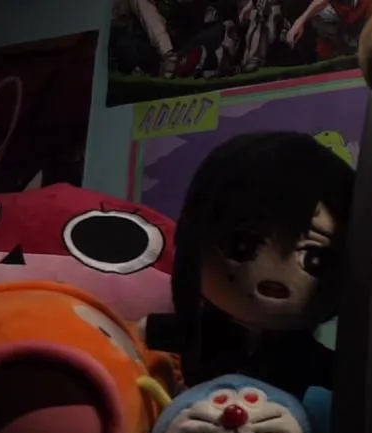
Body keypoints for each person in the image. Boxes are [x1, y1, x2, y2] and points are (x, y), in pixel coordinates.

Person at [141, 132, 354, 399]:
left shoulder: (313, 362)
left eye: (314, 259)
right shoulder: (193, 334)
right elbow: (129, 337)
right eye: (242, 245)